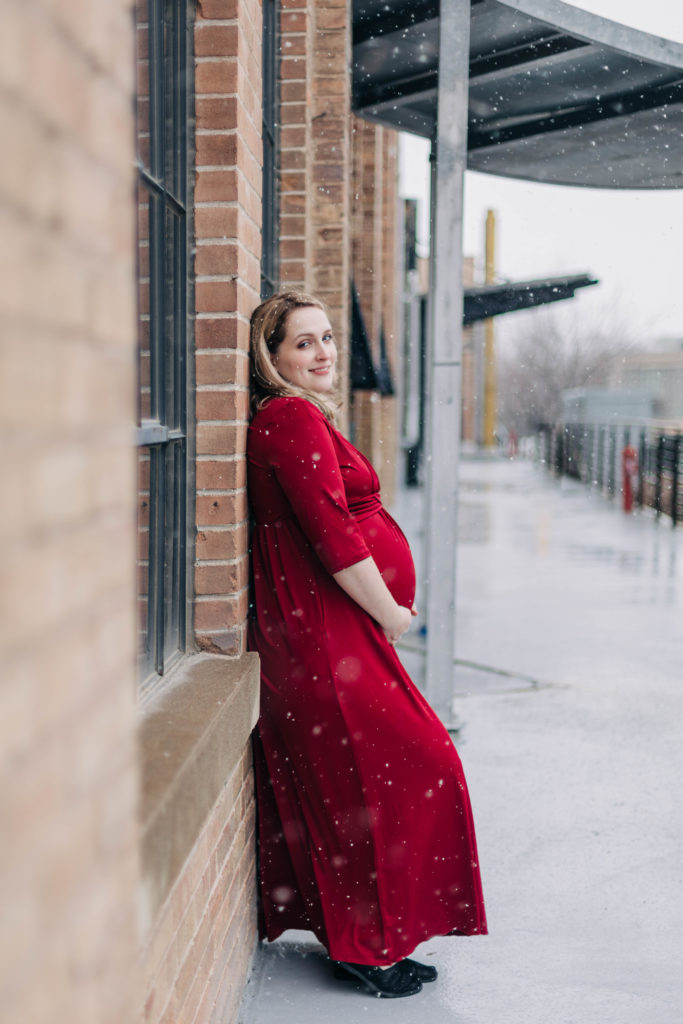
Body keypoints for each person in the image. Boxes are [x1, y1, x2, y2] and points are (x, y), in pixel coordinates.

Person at [247, 292, 487, 999]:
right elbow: (332, 534)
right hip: (319, 630)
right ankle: (363, 943)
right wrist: (391, 612)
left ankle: (375, 936)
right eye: (303, 343)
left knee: (372, 778)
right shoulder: (288, 417)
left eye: (327, 338)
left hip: (329, 625)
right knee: (394, 769)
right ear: (273, 357)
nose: (323, 353)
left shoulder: (303, 416)